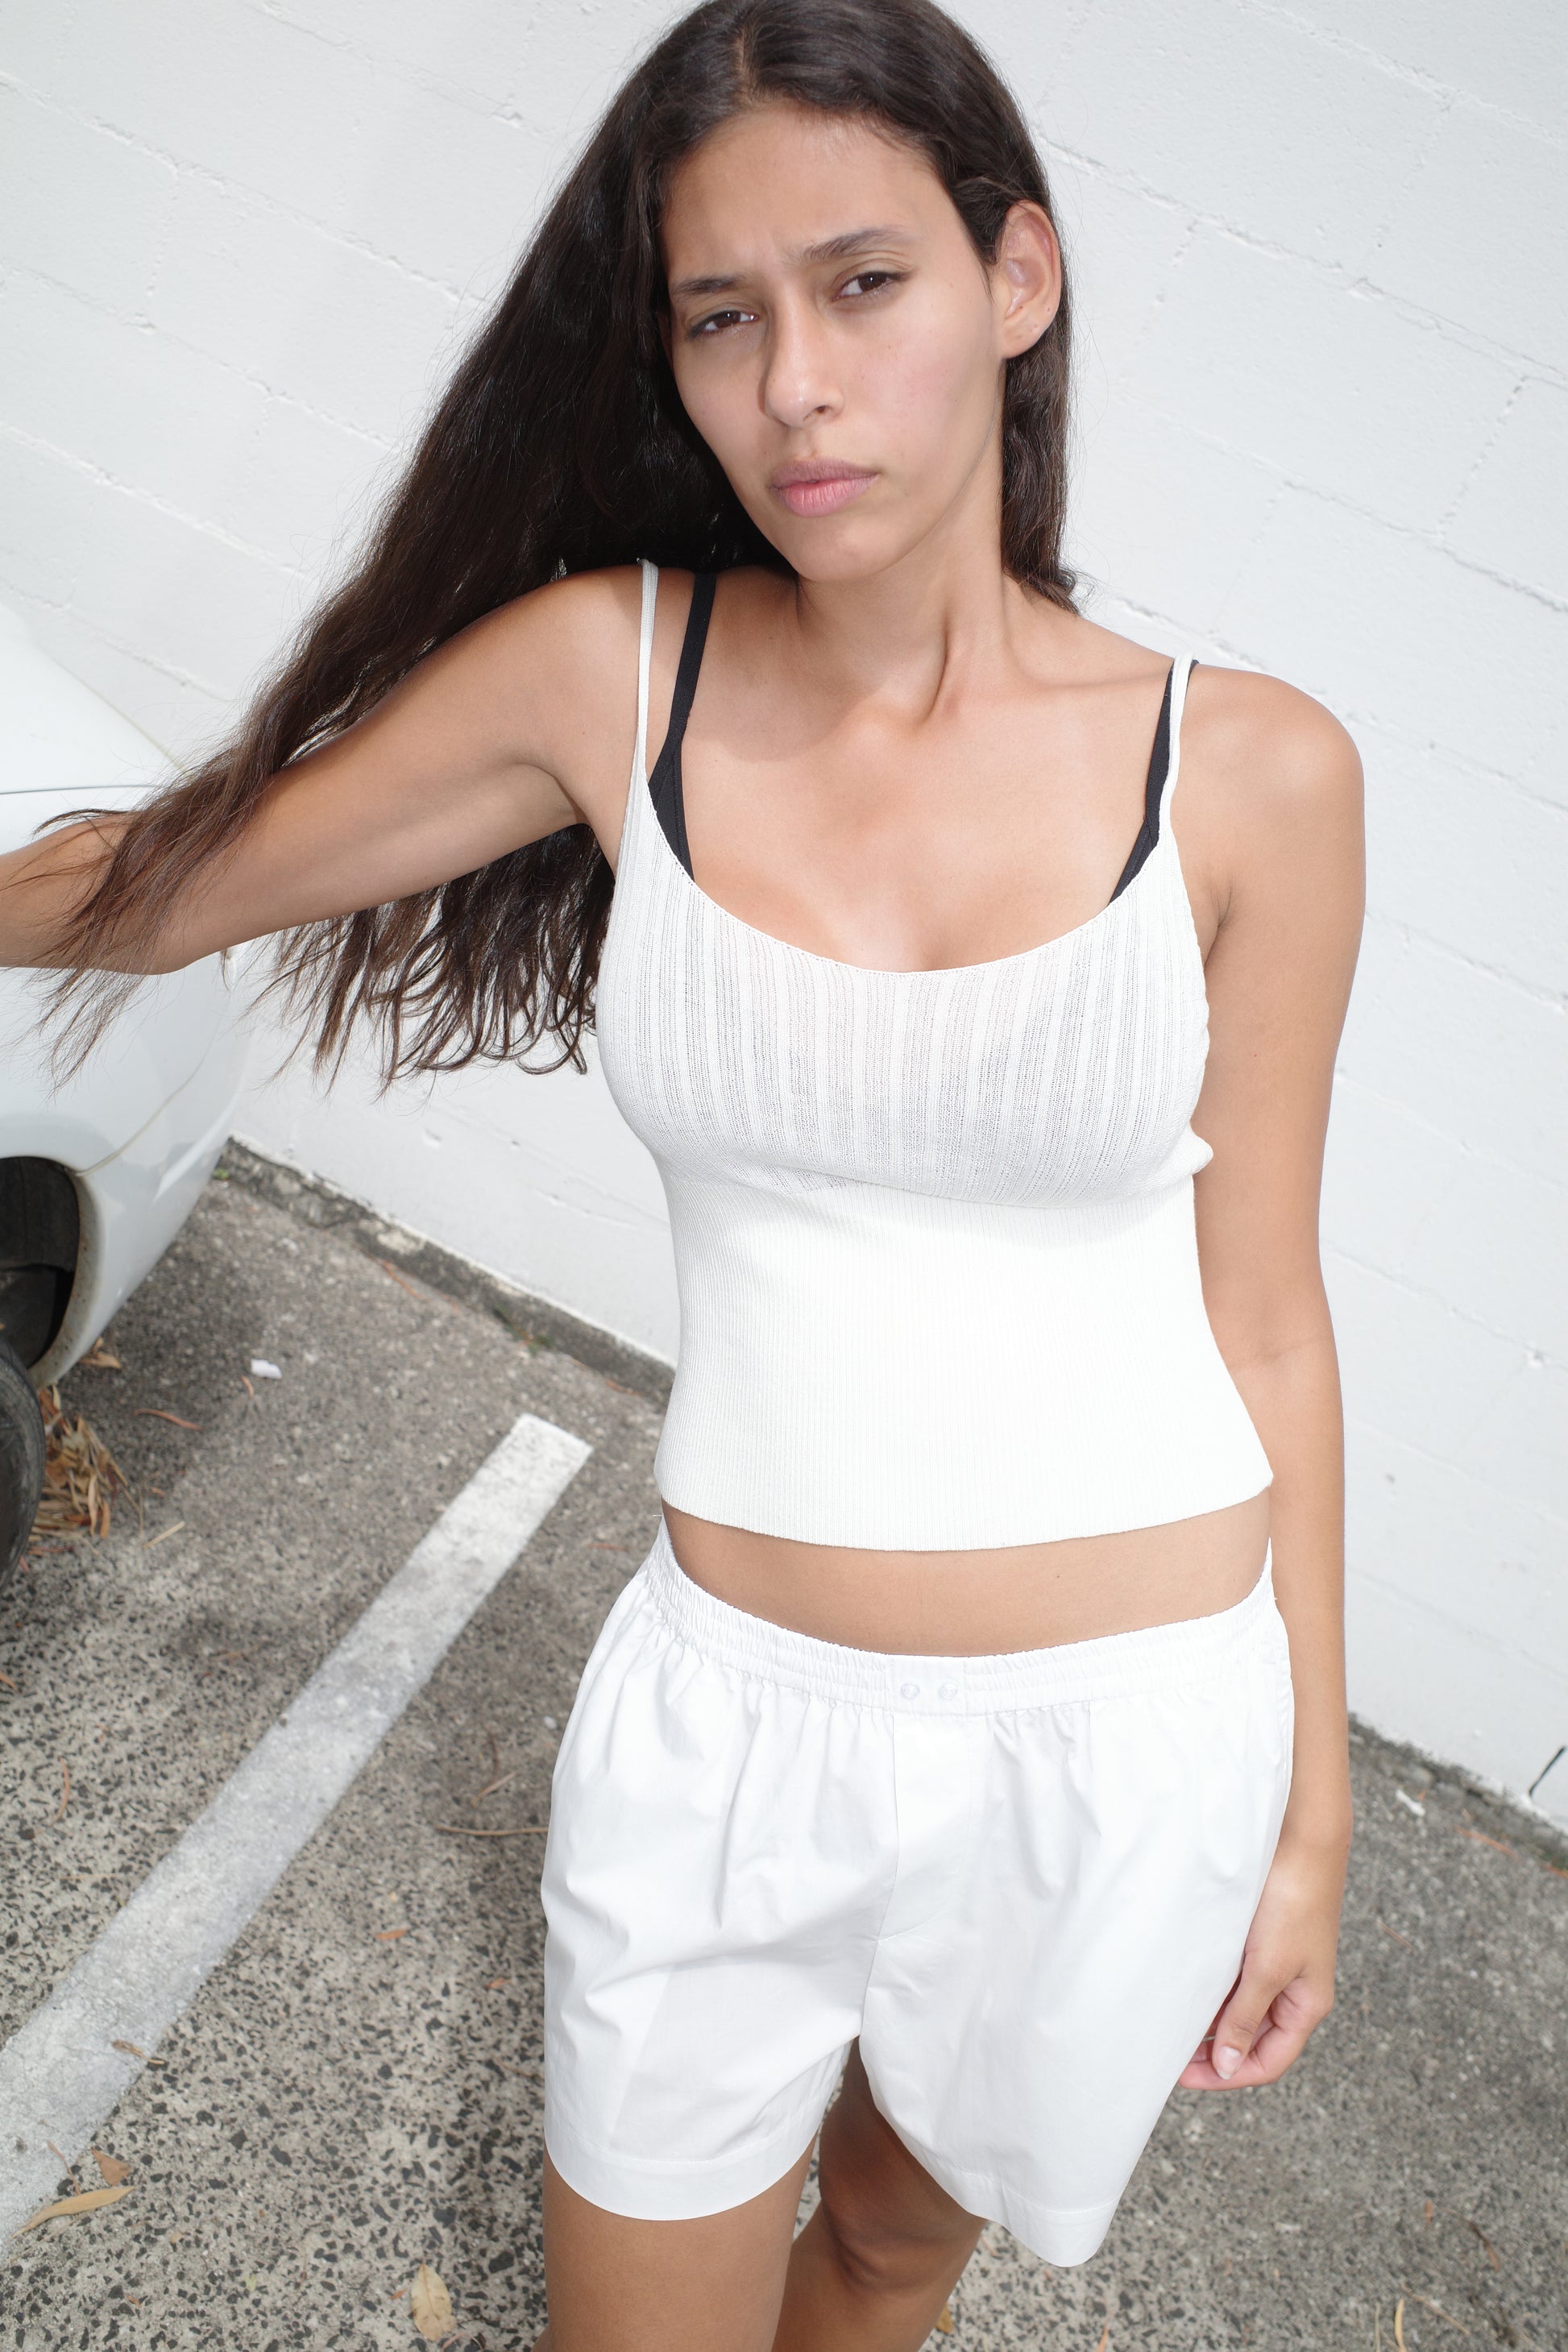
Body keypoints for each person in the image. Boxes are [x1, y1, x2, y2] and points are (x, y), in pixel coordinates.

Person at [1, 1, 1365, 2344]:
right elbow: (171, 877)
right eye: (720, 319)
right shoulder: (601, 675)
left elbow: (1265, 1313)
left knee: (885, 2261)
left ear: (1013, 279)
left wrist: (1307, 1810)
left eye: (863, 286)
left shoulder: (1251, 775)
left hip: (1133, 1737)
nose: (794, 388)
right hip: (728, 1732)